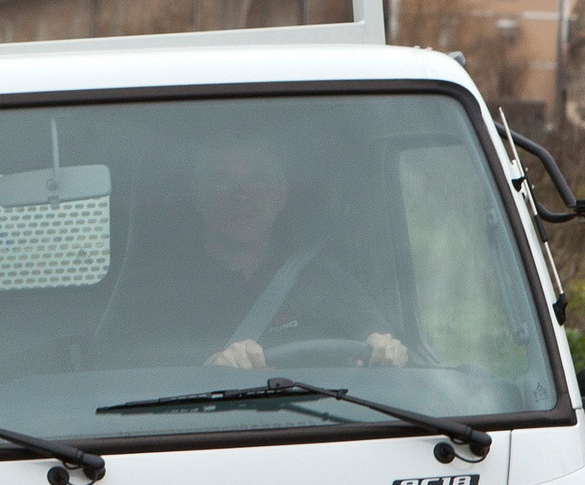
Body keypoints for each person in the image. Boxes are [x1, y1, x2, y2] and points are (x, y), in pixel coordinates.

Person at [103, 138, 408, 370]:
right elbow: (123, 371)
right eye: (222, 181)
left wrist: (387, 349)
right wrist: (207, 367)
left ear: (281, 195)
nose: (241, 195)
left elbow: (378, 338)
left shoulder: (324, 278)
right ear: (197, 195)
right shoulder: (154, 289)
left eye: (257, 180)